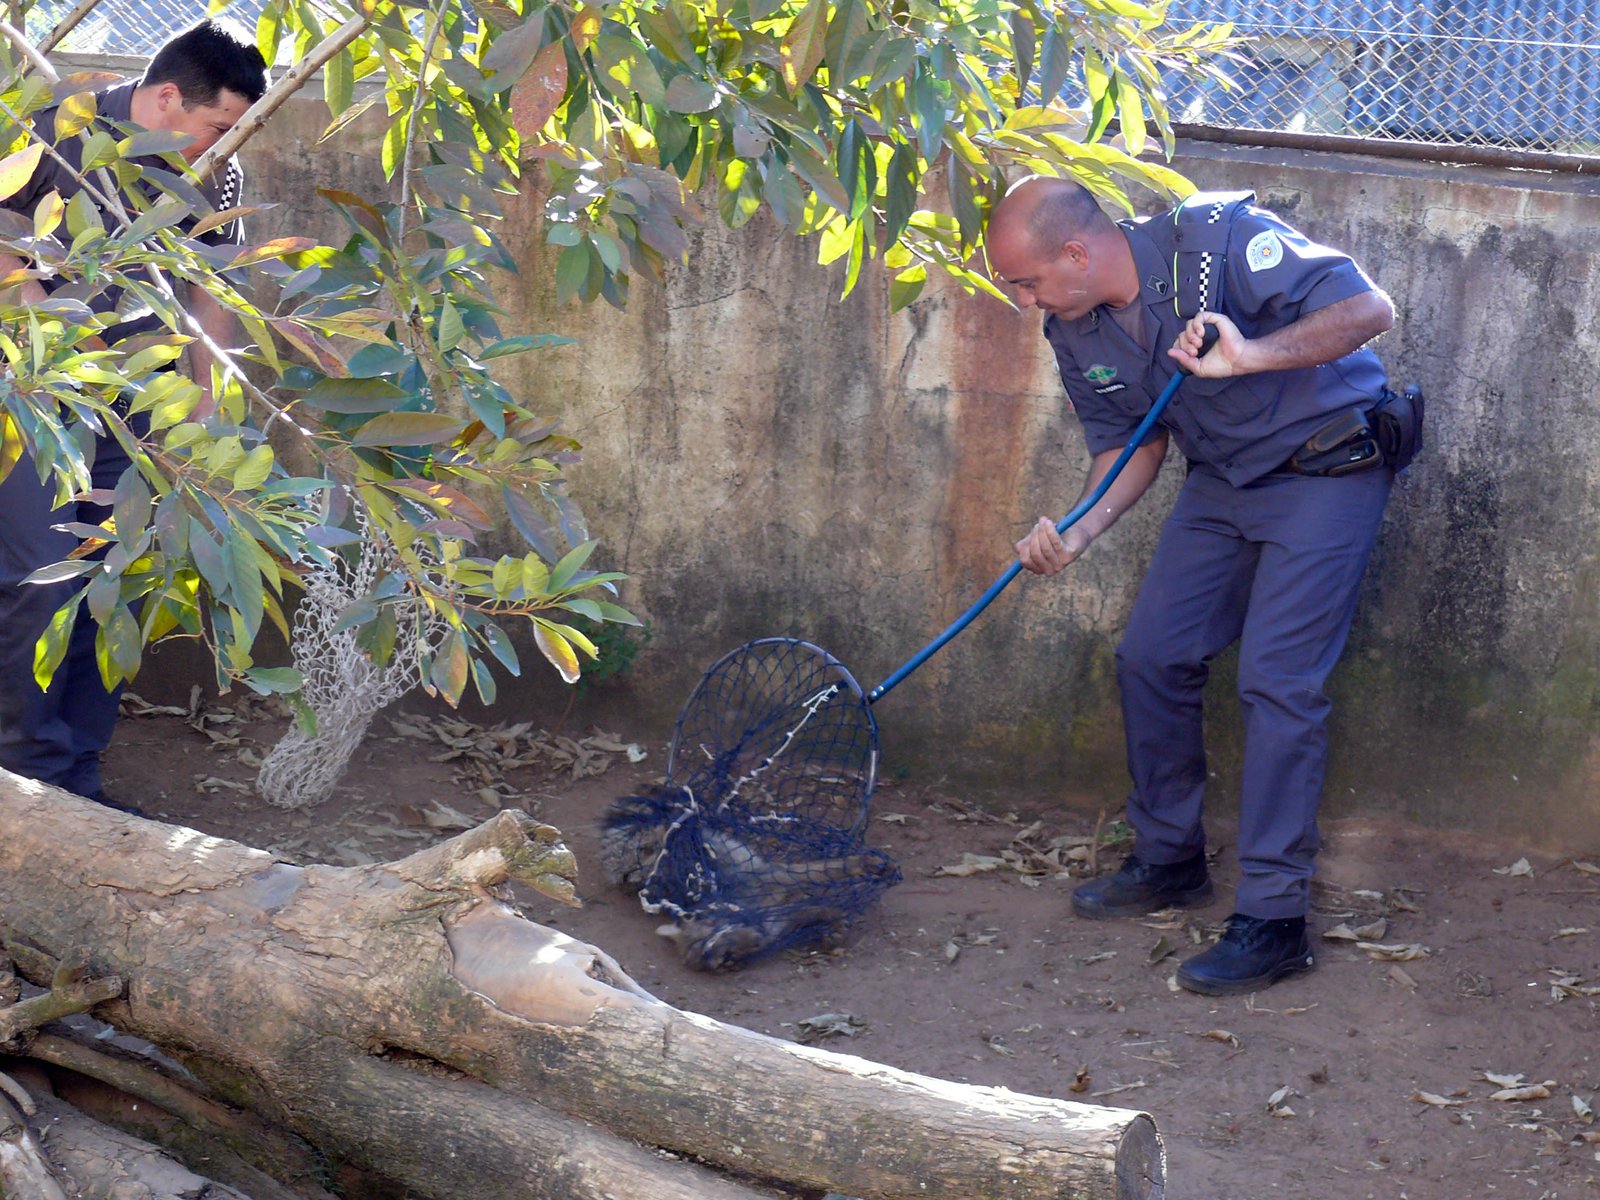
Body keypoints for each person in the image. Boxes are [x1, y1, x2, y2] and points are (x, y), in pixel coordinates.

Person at [986, 175, 1405, 995]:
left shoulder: (1214, 243)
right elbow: (1130, 446)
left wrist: (1253, 354)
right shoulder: (1075, 328)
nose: (1026, 301)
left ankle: (1275, 919)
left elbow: (1369, 311)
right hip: (1222, 484)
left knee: (1278, 683)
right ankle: (1170, 860)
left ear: (1076, 252)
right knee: (1151, 656)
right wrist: (1075, 534)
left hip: (1326, 469)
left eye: (1027, 281)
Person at [0, 19, 268, 813]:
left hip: (139, 405)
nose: (223, 147)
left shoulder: (217, 173)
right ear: (162, 99)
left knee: (109, 581)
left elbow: (211, 286)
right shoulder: (51, 131)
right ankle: (27, 778)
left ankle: (79, 776)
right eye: (218, 127)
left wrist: (207, 408)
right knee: (34, 583)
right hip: (37, 393)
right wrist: (46, 329)